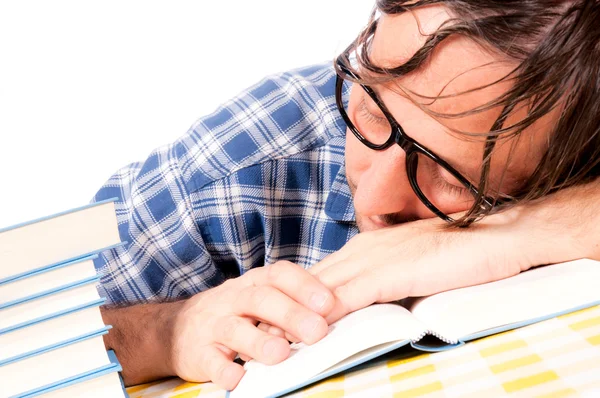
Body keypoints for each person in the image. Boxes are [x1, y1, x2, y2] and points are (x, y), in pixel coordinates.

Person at [94, 0, 600, 390]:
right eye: (373, 116)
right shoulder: (241, 166)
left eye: (450, 177)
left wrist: (514, 232)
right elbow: (22, 338)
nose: (376, 198)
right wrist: (167, 332)